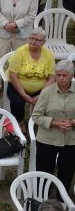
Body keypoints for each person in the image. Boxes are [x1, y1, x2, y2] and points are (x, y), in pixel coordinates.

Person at [0, 0, 38, 98]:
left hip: (22, 33)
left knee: (20, 60)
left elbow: (32, 15)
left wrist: (16, 24)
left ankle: (16, 86)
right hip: (3, 31)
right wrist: (6, 24)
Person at [32, 60, 75, 200]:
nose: (61, 78)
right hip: (47, 139)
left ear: (72, 75)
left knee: (67, 172)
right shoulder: (47, 92)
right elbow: (36, 116)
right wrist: (55, 124)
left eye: (65, 75)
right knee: (44, 173)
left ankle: (62, 201)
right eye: (58, 75)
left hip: (71, 139)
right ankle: (41, 200)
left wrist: (73, 122)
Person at [7, 27, 55, 132]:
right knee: (17, 102)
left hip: (41, 88)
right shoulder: (20, 52)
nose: (33, 42)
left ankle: (41, 122)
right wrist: (24, 95)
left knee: (50, 100)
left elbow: (52, 78)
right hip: (18, 85)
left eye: (37, 40)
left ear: (44, 42)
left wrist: (42, 94)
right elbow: (13, 76)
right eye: (31, 38)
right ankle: (20, 123)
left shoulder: (49, 55)